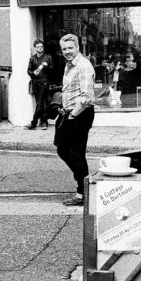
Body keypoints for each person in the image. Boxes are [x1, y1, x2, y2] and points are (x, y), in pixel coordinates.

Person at [55, 34, 95, 207]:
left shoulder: (83, 66)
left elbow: (86, 96)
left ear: (78, 47)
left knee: (77, 154)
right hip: (69, 113)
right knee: (62, 149)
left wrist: (72, 116)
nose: (67, 52)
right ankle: (85, 184)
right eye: (64, 49)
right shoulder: (69, 65)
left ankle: (83, 193)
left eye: (70, 48)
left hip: (80, 114)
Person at [26, 40, 53, 130]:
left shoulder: (48, 57)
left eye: (41, 46)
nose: (40, 48)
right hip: (35, 83)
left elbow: (52, 70)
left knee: (40, 103)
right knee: (40, 103)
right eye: (38, 47)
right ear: (35, 48)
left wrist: (46, 66)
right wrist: (33, 73)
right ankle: (44, 122)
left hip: (44, 82)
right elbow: (29, 71)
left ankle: (34, 123)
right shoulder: (32, 58)